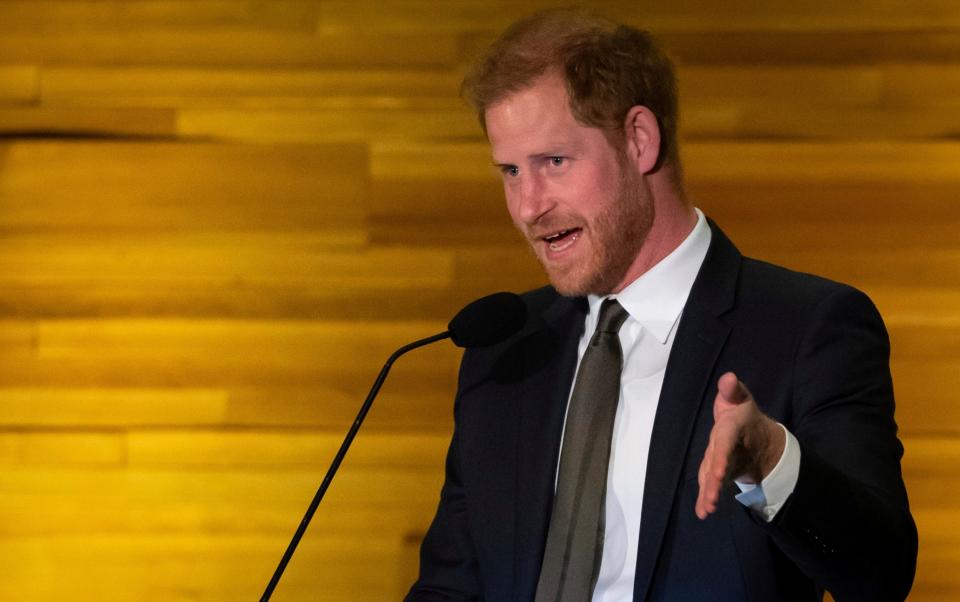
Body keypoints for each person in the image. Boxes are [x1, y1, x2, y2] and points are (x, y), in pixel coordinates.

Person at [406, 9, 917, 602]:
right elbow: (451, 586)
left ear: (639, 140)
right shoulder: (508, 349)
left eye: (553, 162)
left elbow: (881, 573)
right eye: (511, 171)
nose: (528, 206)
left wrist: (774, 462)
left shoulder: (806, 328)